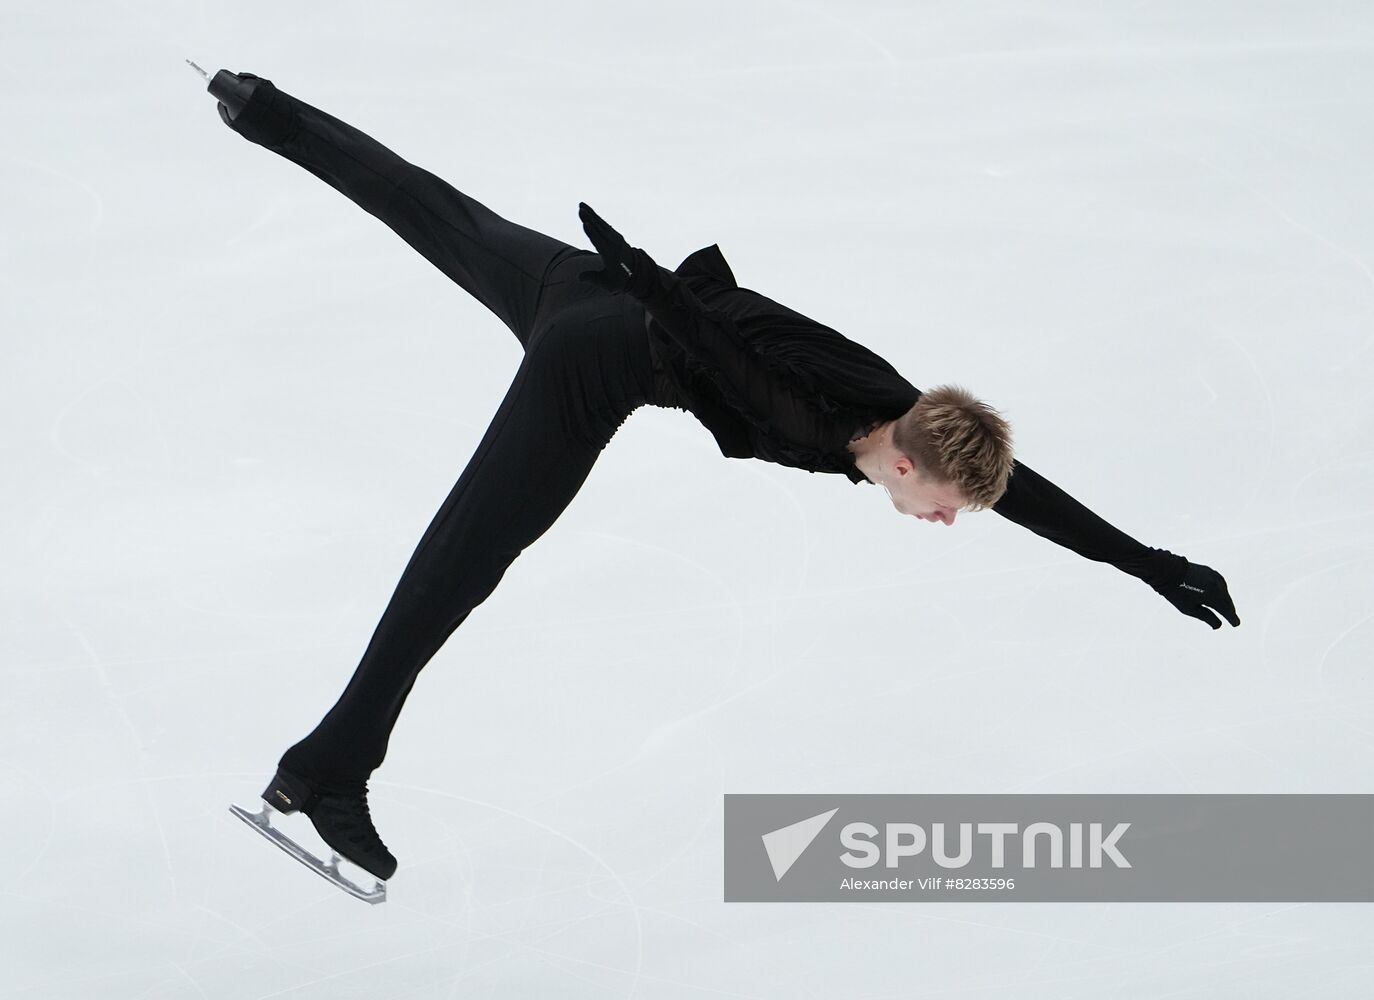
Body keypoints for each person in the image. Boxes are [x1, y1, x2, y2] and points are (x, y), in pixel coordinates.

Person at [207, 70, 1240, 890]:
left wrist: (1149, 563)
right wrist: (655, 281)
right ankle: (327, 767)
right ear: (916, 462)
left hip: (580, 283)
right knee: (461, 563)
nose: (946, 520)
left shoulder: (903, 404)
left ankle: (262, 107)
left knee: (438, 212)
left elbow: (1027, 493)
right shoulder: (829, 417)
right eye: (946, 504)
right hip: (596, 356)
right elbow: (735, 364)